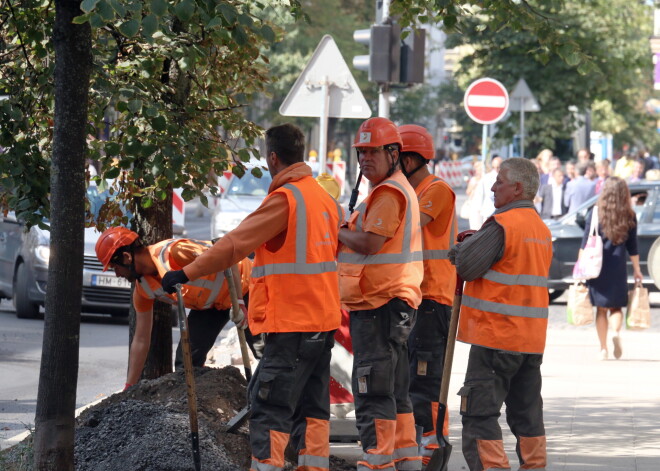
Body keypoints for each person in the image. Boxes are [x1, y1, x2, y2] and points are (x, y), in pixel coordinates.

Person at [161, 123, 343, 471]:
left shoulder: (285, 200)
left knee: (269, 405)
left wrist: (184, 273)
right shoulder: (324, 200)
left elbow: (233, 245)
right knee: (313, 408)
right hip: (323, 323)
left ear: (272, 158)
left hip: (292, 324)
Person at [449, 157, 552, 471]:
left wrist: (459, 250)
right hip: (530, 342)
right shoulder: (541, 230)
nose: (493, 188)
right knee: (527, 415)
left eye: (499, 183)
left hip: (496, 338)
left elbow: (467, 265)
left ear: (517, 188)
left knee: (479, 413)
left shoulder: (504, 224)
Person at [338, 117, 423, 470]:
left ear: (394, 154)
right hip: (390, 303)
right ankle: (405, 457)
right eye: (362, 153)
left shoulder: (388, 194)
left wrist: (336, 230)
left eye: (373, 152)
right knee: (394, 390)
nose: (366, 160)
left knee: (372, 389)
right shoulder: (391, 189)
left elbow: (371, 242)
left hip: (380, 304)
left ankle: (378, 461)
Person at [94, 228, 254, 389]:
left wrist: (239, 302)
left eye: (115, 267)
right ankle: (209, 404)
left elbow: (227, 253)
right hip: (211, 306)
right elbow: (141, 340)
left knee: (263, 348)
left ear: (126, 258)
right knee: (187, 365)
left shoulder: (174, 252)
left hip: (246, 285)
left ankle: (271, 404)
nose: (116, 274)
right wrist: (129, 385)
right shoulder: (143, 290)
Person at [398, 124, 457, 466]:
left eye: (396, 157)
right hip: (414, 296)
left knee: (426, 378)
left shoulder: (436, 189)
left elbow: (405, 225)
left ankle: (433, 448)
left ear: (411, 158)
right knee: (410, 379)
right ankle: (420, 444)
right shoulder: (407, 191)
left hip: (433, 297)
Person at [581, 177, 643, 360]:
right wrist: (637, 270)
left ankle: (603, 349)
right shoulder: (629, 215)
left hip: (596, 266)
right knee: (616, 308)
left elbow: (585, 243)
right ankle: (615, 333)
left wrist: (580, 267)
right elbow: (633, 247)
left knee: (600, 309)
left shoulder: (595, 213)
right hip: (617, 267)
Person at [471, 155, 502, 226]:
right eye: (494, 167)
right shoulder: (487, 177)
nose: (496, 170)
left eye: (498, 167)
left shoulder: (505, 177)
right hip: (489, 211)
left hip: (499, 212)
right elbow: (483, 194)